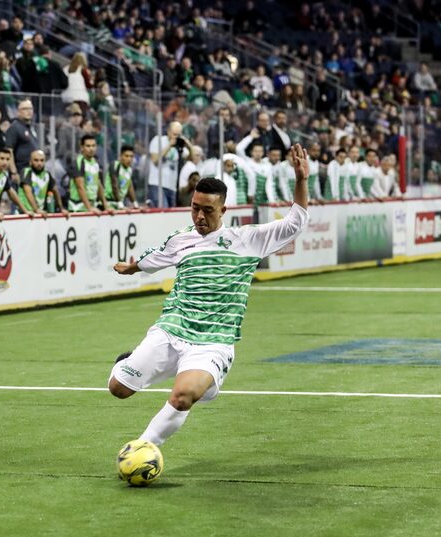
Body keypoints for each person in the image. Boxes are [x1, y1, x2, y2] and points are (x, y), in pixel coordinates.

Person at [107, 144, 310, 449]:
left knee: (182, 395)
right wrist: (132, 267)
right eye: (195, 208)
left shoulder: (247, 240)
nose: (199, 216)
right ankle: (133, 363)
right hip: (171, 329)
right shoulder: (181, 240)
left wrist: (301, 180)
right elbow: (156, 257)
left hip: (213, 341)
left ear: (224, 210)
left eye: (208, 210)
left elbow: (295, 223)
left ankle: (143, 449)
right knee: (118, 388)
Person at [148, 121, 190, 209]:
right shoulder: (158, 140)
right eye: (174, 134)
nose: (176, 137)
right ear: (168, 132)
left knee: (171, 214)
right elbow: (155, 160)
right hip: (158, 184)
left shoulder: (179, 145)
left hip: (172, 187)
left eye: (178, 135)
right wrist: (169, 145)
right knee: (162, 211)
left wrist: (188, 144)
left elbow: (192, 158)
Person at [68, 134, 114, 215]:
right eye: (88, 146)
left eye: (93, 146)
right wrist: (89, 208)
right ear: (82, 148)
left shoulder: (95, 162)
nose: (91, 149)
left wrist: (106, 206)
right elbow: (80, 187)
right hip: (78, 207)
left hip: (92, 206)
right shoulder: (79, 162)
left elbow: (98, 184)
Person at [20, 150, 63, 216]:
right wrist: (36, 209)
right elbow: (28, 191)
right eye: (36, 160)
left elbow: (55, 190)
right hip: (25, 214)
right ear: (30, 162)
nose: (39, 163)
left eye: (42, 160)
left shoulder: (47, 174)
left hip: (39, 213)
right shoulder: (26, 172)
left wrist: (61, 208)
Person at [4, 99, 39, 178]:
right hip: (21, 171)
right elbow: (9, 151)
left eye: (30, 109)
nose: (28, 111)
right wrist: (14, 172)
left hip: (33, 171)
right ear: (18, 112)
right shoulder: (14, 127)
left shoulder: (31, 127)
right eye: (25, 109)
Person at [105, 144, 139, 209]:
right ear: (120, 156)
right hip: (109, 202)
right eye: (126, 156)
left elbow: (129, 187)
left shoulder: (129, 170)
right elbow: (114, 185)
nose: (129, 159)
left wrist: (135, 203)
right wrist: (119, 203)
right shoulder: (115, 165)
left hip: (120, 203)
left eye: (131, 156)